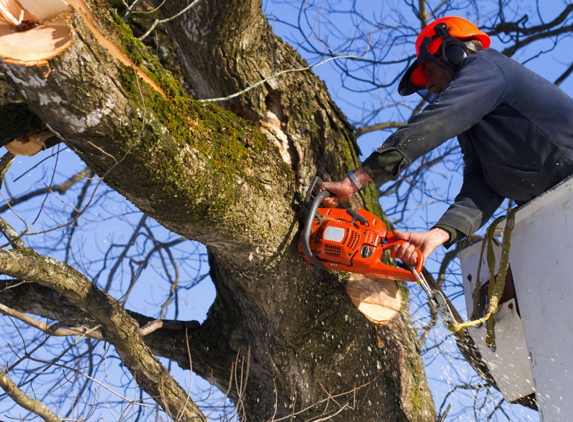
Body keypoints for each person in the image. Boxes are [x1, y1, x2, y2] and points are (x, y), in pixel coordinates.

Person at [322, 16, 573, 265]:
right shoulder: (473, 128)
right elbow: (482, 187)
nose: (429, 85)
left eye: (429, 70)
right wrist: (438, 234)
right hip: (558, 210)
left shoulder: (487, 65)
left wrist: (355, 179)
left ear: (453, 52)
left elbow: (436, 122)